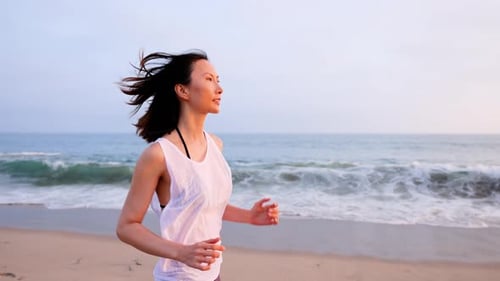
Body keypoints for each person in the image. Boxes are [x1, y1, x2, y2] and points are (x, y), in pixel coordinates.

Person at [116, 50, 280, 281]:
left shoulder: (215, 144)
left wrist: (249, 216)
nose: (219, 89)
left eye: (218, 80)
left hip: (213, 275)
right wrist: (181, 252)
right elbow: (127, 227)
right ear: (182, 90)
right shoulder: (158, 155)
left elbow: (201, 205)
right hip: (179, 277)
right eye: (209, 79)